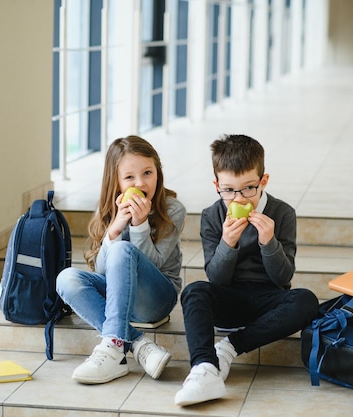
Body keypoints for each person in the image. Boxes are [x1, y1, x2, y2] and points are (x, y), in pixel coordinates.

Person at [174, 134, 319, 406]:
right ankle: (204, 368)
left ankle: (228, 349)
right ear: (217, 185)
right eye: (228, 190)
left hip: (269, 300)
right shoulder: (212, 215)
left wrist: (268, 242)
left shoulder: (282, 213)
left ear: (263, 181)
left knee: (306, 300)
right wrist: (228, 243)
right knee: (194, 291)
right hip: (228, 298)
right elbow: (216, 277)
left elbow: (283, 277)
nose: (238, 198)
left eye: (248, 188)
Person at [57, 135, 186, 385]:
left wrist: (139, 225)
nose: (141, 182)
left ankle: (113, 348)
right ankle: (136, 343)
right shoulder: (108, 209)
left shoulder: (173, 209)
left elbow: (154, 265)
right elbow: (101, 271)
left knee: (122, 251)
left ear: (157, 172)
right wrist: (114, 230)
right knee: (66, 278)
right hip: (120, 298)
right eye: (129, 177)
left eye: (148, 172)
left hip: (157, 300)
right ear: (115, 181)